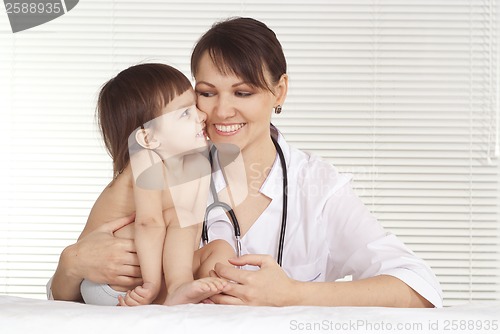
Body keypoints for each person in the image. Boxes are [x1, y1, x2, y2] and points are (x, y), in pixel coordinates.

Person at [48, 17, 443, 308]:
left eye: (243, 91)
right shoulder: (168, 164)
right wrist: (72, 262)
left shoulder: (318, 187)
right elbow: (72, 298)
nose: (221, 111)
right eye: (206, 92)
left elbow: (420, 289)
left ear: (279, 91)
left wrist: (295, 293)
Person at [60, 63, 235, 306]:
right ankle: (174, 290)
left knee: (219, 250)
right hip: (107, 283)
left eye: (195, 106)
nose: (202, 115)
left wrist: (183, 278)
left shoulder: (193, 164)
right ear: (147, 138)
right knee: (175, 216)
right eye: (185, 113)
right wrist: (151, 285)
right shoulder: (144, 160)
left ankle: (191, 293)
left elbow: (191, 230)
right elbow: (148, 224)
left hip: (146, 268)